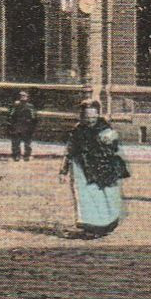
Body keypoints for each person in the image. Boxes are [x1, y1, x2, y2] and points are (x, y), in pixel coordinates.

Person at [59, 100, 129, 238]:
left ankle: (104, 226)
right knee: (86, 198)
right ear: (82, 116)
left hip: (102, 168)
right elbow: (69, 150)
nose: (90, 120)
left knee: (106, 197)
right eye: (87, 117)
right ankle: (90, 227)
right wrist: (63, 170)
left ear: (98, 115)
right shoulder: (77, 130)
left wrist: (111, 140)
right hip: (82, 168)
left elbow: (114, 147)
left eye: (93, 117)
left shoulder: (105, 129)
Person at [6, 90, 38, 161]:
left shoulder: (30, 107)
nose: (22, 99)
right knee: (16, 142)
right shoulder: (15, 106)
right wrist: (11, 124)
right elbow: (10, 115)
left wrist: (32, 126)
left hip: (27, 126)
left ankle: (27, 156)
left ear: (27, 98)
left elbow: (33, 117)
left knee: (27, 143)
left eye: (24, 97)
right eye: (21, 97)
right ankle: (17, 155)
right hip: (17, 125)